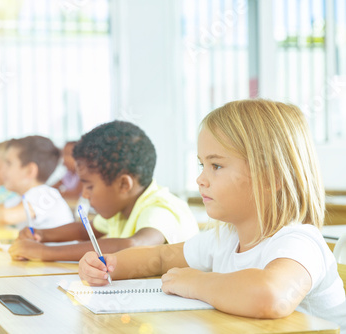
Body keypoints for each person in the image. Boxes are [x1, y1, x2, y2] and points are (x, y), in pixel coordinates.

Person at [78, 99, 346, 331]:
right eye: (201, 164)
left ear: (271, 177)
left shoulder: (299, 242)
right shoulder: (225, 239)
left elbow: (270, 296)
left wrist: (196, 282)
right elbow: (159, 257)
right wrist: (109, 265)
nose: (200, 179)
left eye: (216, 165)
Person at [9, 121, 198, 262]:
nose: (85, 194)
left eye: (89, 186)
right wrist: (41, 234)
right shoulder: (122, 209)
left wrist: (45, 253)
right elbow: (86, 229)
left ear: (124, 185)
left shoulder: (160, 209)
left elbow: (133, 246)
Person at [0, 135, 74, 229]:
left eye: (9, 163)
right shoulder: (20, 199)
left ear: (30, 171)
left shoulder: (45, 194)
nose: (3, 170)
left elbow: (6, 217)